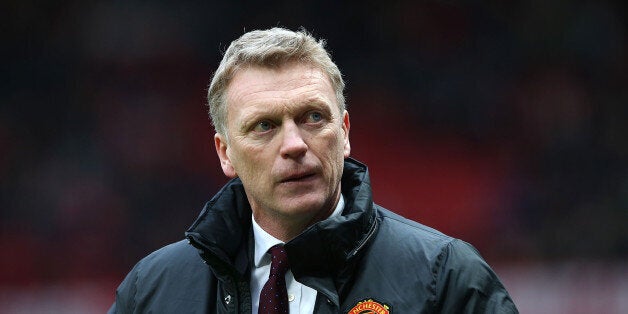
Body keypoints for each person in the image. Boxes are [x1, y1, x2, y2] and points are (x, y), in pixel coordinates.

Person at [109, 27, 517, 313]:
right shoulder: (153, 292)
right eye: (263, 126)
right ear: (225, 153)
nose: (293, 145)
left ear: (344, 132)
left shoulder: (444, 278)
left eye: (313, 117)